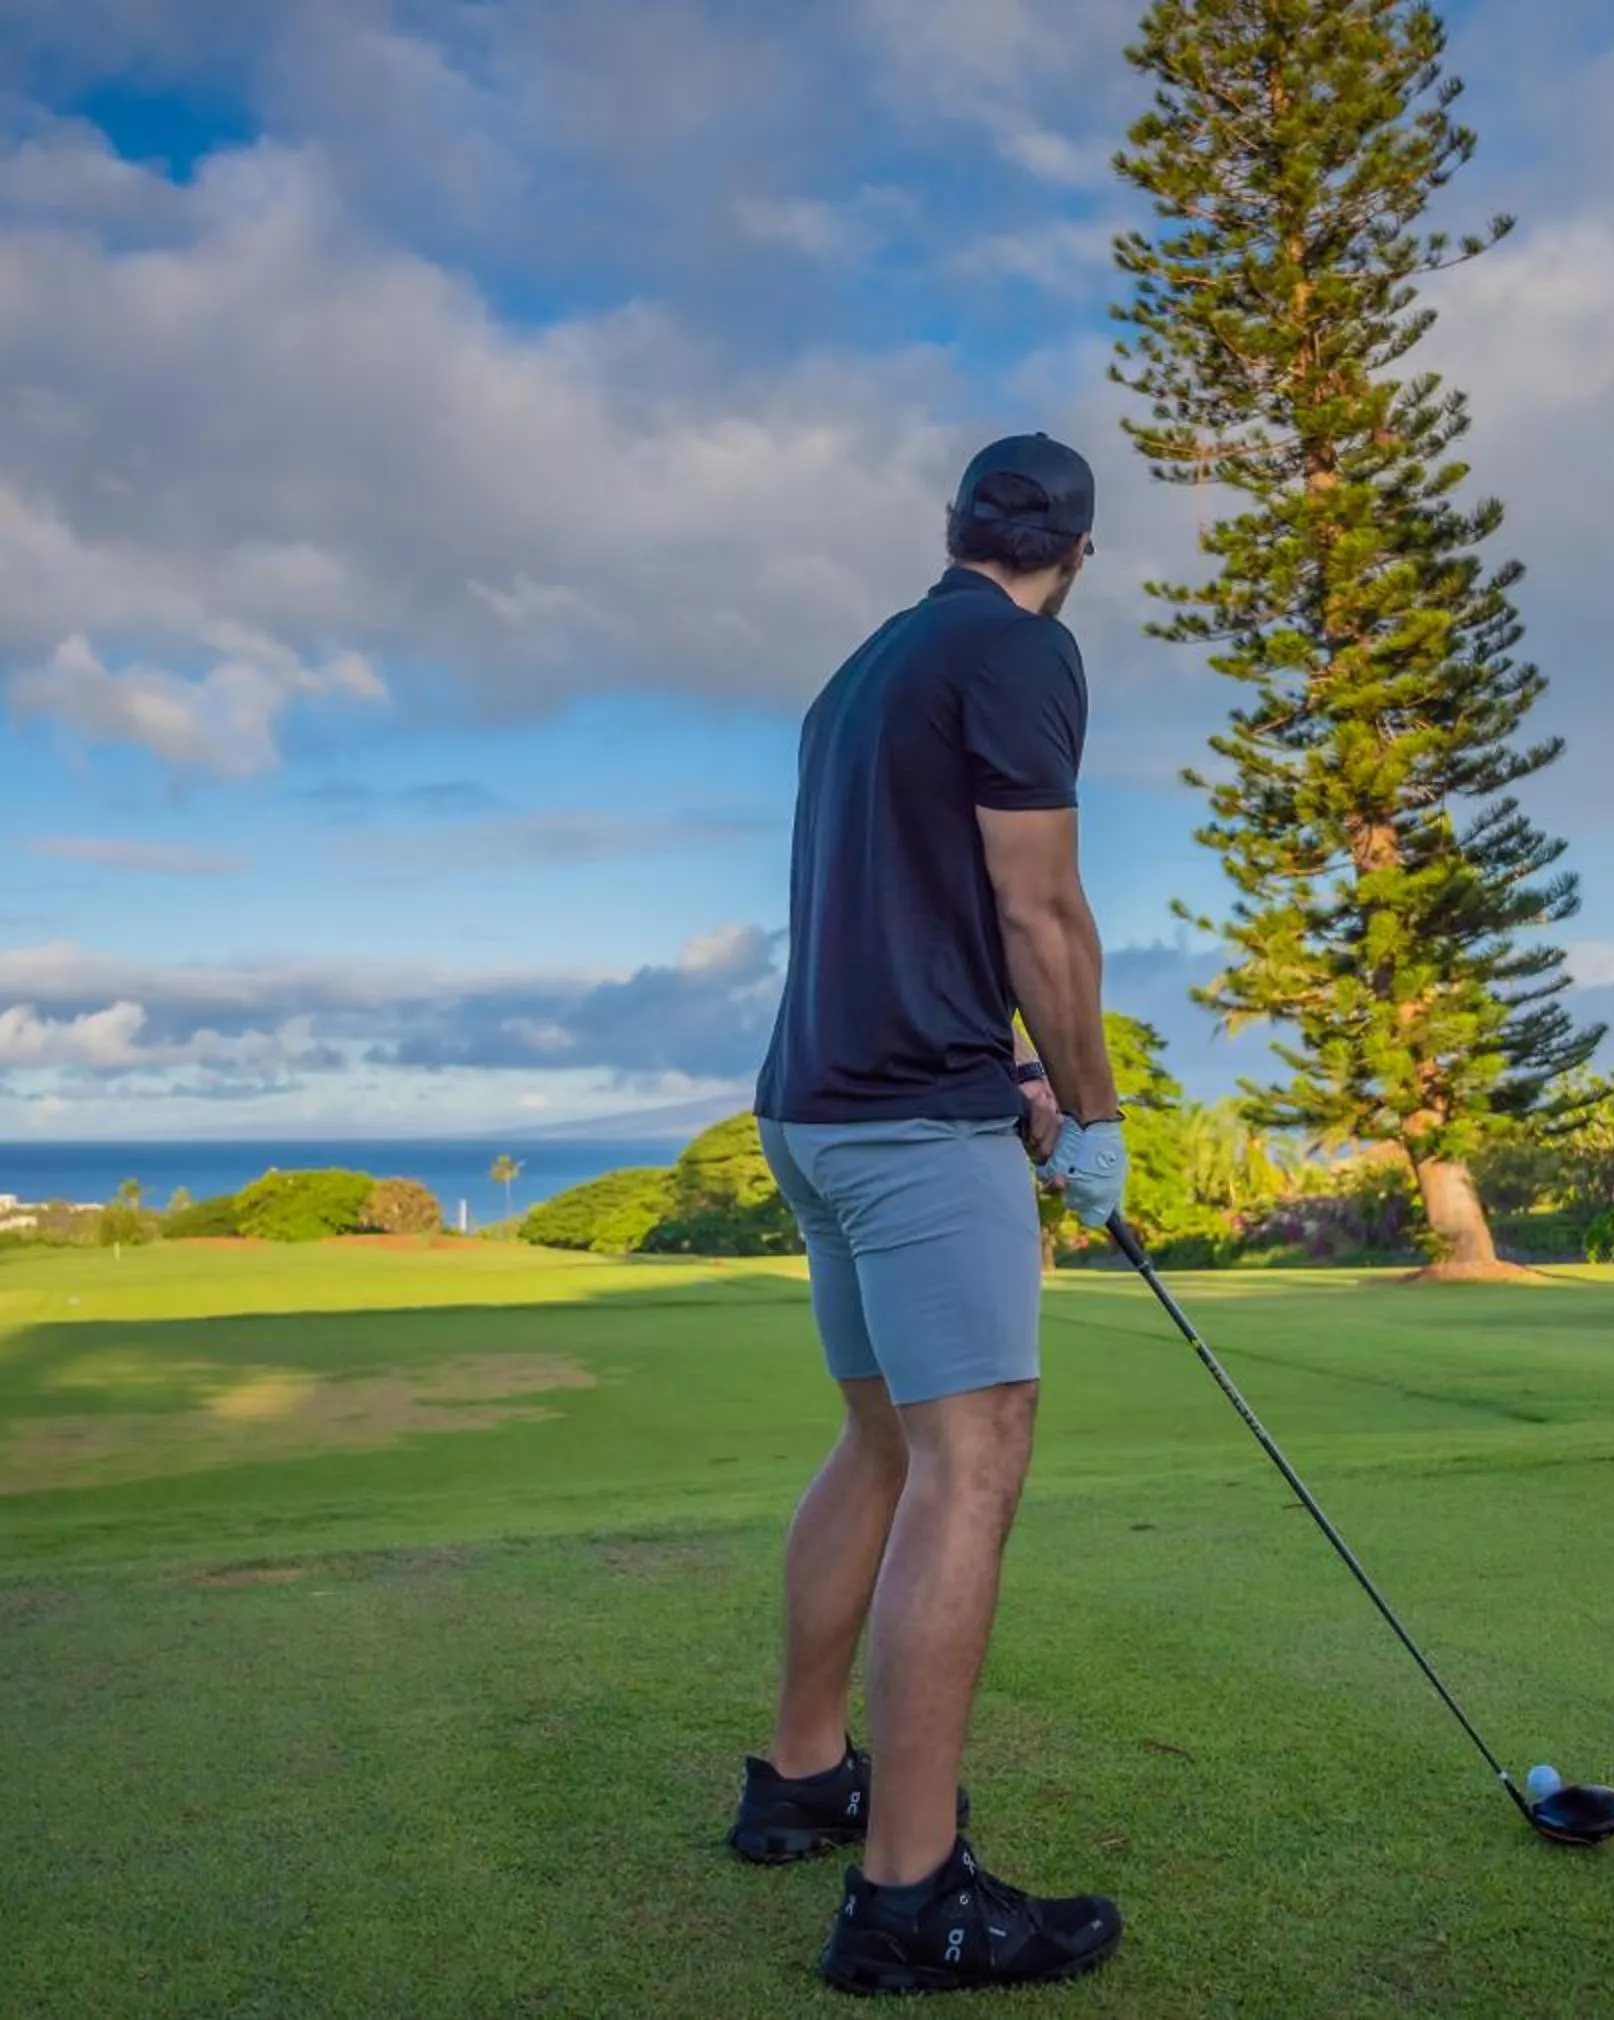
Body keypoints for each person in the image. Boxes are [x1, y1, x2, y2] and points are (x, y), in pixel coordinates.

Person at [730, 432, 1132, 1995]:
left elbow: (914, 914)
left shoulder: (867, 667)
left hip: (813, 1110)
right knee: (978, 1454)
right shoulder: (1023, 649)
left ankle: (803, 1778)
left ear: (953, 525)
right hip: (908, 1130)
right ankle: (910, 1893)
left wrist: (1008, 1073)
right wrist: (1094, 1114)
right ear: (1078, 552)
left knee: (884, 1440)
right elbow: (1038, 908)